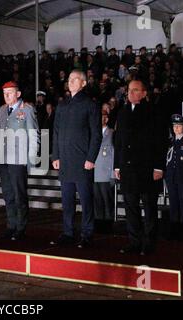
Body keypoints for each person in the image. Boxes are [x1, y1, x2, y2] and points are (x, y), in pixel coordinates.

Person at [114, 80, 166, 255]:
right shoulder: (122, 112)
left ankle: (149, 243)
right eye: (129, 90)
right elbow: (119, 141)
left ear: (144, 93)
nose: (130, 93)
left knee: (149, 207)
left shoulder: (154, 112)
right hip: (127, 168)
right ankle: (134, 241)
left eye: (135, 90)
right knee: (130, 207)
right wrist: (117, 165)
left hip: (147, 168)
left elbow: (160, 141)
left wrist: (159, 167)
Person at [51, 70, 102, 248]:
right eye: (69, 79)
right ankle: (68, 232)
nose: (70, 82)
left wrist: (91, 158)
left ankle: (87, 234)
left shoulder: (90, 105)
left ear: (84, 83)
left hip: (82, 161)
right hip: (65, 160)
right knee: (67, 200)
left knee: (86, 200)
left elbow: (96, 134)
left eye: (75, 79)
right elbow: (56, 132)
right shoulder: (62, 105)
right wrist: (55, 155)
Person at [0, 81, 39, 241]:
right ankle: (11, 225)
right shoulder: (2, 110)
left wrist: (31, 159)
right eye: (5, 93)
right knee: (8, 195)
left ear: (18, 94)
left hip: (18, 160)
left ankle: (21, 227)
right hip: (3, 160)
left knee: (19, 195)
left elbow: (33, 134)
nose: (7, 96)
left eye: (10, 92)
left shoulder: (26, 109)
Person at [94, 110, 115, 233]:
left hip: (106, 173)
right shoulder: (93, 133)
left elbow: (114, 154)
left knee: (107, 201)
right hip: (95, 173)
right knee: (97, 201)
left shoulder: (111, 133)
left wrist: (113, 174)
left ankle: (108, 225)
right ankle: (98, 224)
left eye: (103, 117)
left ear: (106, 119)